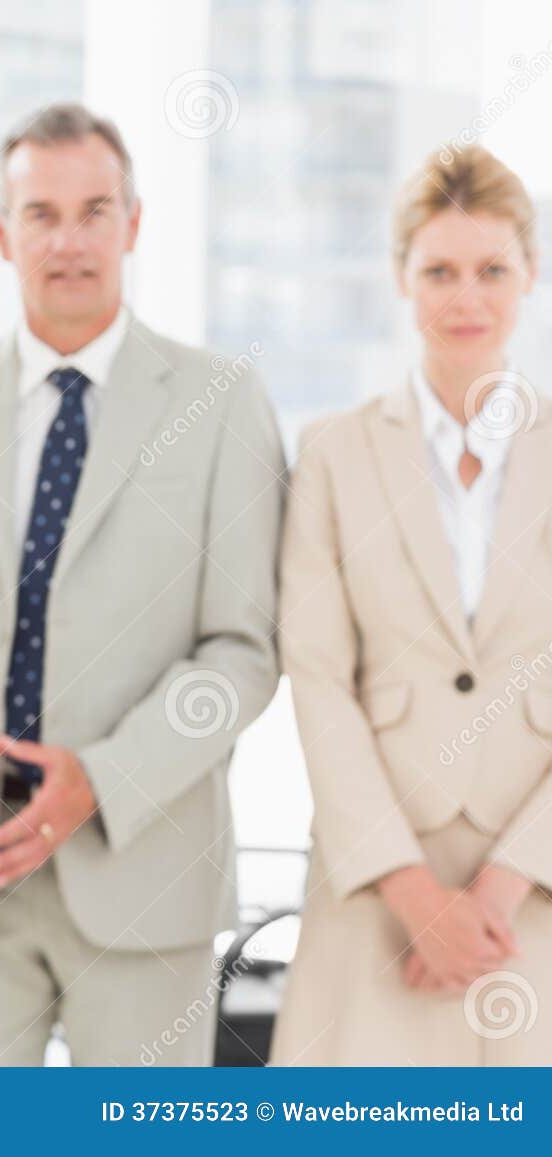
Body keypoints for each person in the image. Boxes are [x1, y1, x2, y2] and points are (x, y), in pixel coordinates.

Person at [0, 102, 284, 1065]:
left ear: (135, 222)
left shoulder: (222, 402)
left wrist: (104, 781)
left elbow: (243, 654)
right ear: (3, 230)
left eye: (94, 210)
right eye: (41, 213)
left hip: (145, 875)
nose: (69, 239)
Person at [273, 144, 552, 1065]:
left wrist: (503, 887)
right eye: (439, 271)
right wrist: (416, 897)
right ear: (401, 277)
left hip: (535, 896)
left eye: (490, 271)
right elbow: (316, 680)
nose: (465, 297)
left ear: (530, 276)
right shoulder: (333, 453)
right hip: (374, 893)